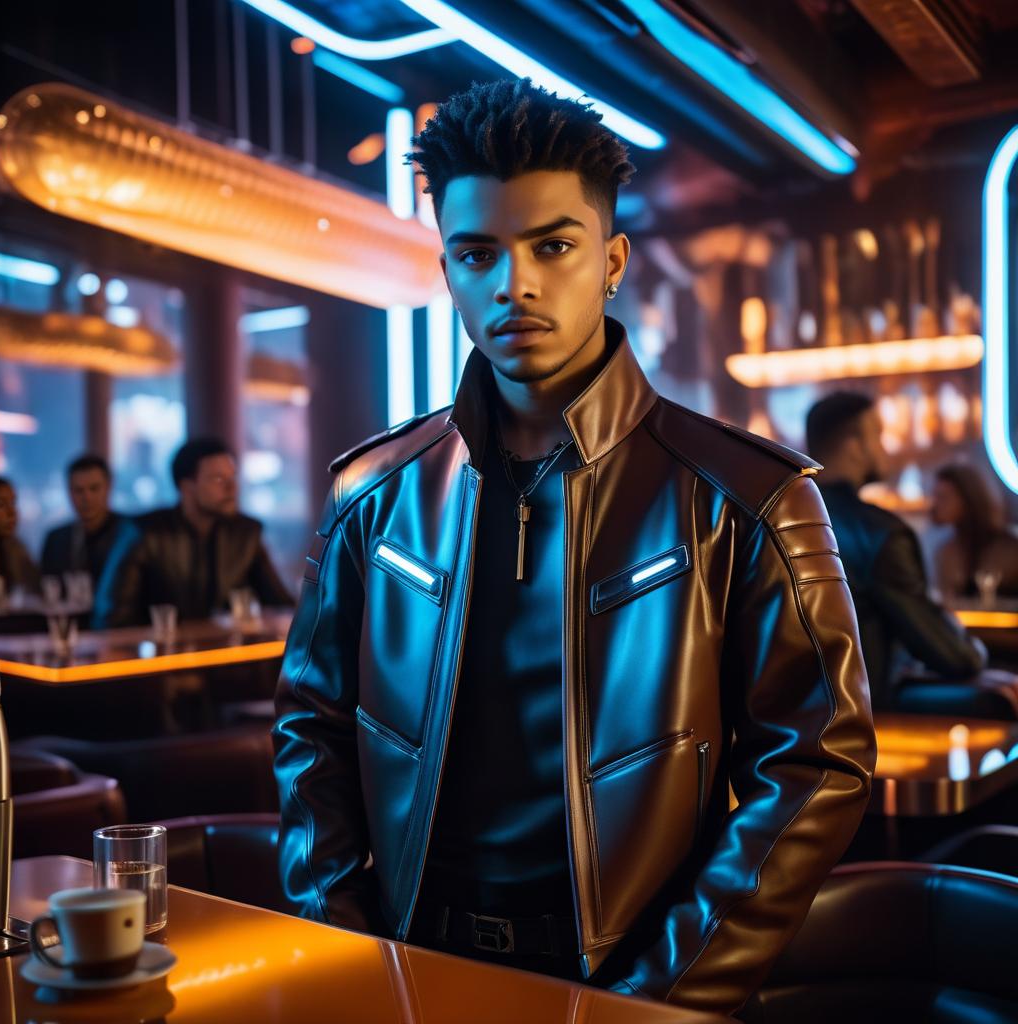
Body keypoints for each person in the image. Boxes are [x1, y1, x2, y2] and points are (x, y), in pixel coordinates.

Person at [274, 79, 875, 1016]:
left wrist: (665, 993)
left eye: (553, 246)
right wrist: (352, 951)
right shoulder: (373, 494)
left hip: (648, 973)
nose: (513, 283)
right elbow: (311, 728)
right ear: (447, 272)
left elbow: (818, 763)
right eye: (477, 253)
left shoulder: (750, 496)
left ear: (612, 261)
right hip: (413, 961)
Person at [806, 392, 986, 709]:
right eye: (878, 435)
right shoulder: (879, 533)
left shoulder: (781, 523)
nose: (884, 448)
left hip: (792, 720)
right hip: (861, 716)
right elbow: (948, 654)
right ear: (854, 447)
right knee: (999, 698)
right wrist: (975, 651)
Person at [94, 437, 293, 627]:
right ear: (186, 486)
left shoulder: (245, 533)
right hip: (162, 657)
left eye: (232, 477)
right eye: (217, 479)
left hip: (228, 654)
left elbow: (281, 604)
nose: (232, 487)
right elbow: (112, 617)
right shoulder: (144, 533)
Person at [40, 454, 134, 591]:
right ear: (69, 492)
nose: (87, 498)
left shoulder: (129, 535)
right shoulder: (56, 539)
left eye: (94, 489)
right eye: (78, 490)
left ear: (108, 488)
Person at [929, 462, 1018, 601]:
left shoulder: (1009, 550)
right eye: (935, 496)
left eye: (944, 497)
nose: (935, 504)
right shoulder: (946, 552)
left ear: (968, 497)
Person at [0, 477, 39, 593]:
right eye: (0, 504)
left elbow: (38, 590)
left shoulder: (16, 549)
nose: (12, 512)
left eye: (13, 503)